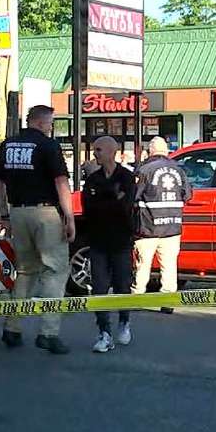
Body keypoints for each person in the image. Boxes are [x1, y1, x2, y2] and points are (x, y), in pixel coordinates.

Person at [0, 105, 76, 355]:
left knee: (25, 271)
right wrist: (69, 217)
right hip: (45, 213)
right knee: (55, 270)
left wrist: (3, 213)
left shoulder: (8, 145)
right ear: (40, 122)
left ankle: (12, 328)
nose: (51, 127)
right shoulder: (48, 146)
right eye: (50, 122)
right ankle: (48, 332)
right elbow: (61, 182)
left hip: (18, 213)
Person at [81, 136, 136, 353]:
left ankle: (124, 320)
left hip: (121, 239)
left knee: (122, 284)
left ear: (113, 152)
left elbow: (125, 206)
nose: (95, 154)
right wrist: (112, 197)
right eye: (94, 150)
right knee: (99, 287)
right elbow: (88, 208)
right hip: (98, 240)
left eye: (99, 150)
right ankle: (104, 332)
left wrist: (107, 201)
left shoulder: (126, 177)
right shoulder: (93, 179)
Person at [132, 137, 192, 315]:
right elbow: (188, 195)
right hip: (172, 227)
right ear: (166, 151)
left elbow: (133, 195)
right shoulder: (179, 170)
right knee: (169, 266)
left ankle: (136, 298)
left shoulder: (144, 170)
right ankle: (167, 301)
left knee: (143, 265)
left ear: (150, 151)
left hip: (148, 227)